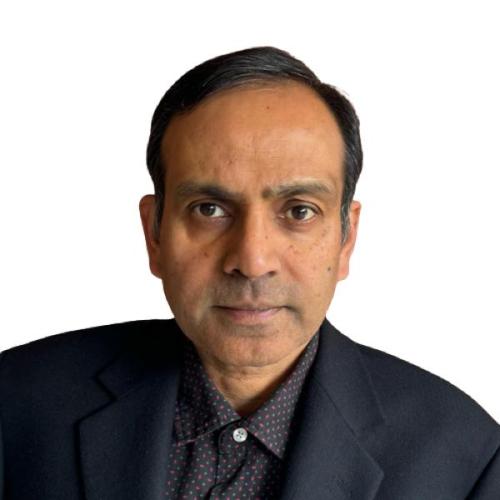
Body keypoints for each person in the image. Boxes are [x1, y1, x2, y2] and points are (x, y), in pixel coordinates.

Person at [0, 46, 498, 500]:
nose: (252, 260)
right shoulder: (14, 404)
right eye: (209, 209)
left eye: (299, 211)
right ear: (154, 233)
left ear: (346, 238)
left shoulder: (467, 460)